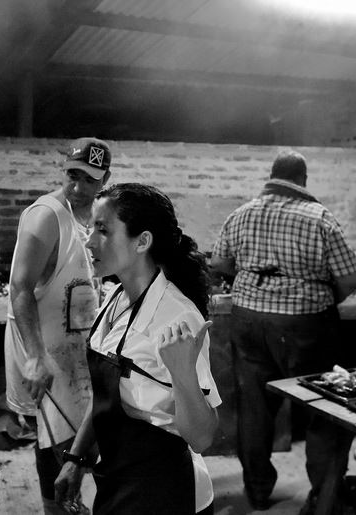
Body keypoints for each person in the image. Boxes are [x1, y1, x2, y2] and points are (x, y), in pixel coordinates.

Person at [54, 183, 220, 515]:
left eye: (103, 230)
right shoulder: (114, 297)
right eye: (91, 229)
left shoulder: (178, 316)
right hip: (116, 476)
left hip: (164, 491)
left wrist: (183, 372)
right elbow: (106, 393)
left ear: (142, 241)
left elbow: (203, 437)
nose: (89, 241)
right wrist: (75, 457)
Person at [210, 150, 356, 512]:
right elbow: (350, 277)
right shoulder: (319, 217)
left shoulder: (242, 213)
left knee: (254, 408)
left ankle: (258, 490)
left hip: (248, 321)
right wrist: (325, 297)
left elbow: (218, 262)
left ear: (272, 176)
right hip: (305, 325)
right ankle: (322, 496)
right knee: (321, 406)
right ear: (303, 180)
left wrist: (253, 282)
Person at [3, 137, 112, 515]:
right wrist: (35, 356)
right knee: (56, 437)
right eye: (73, 175)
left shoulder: (96, 215)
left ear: (105, 180)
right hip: (44, 346)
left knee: (80, 434)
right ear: (62, 170)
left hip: (78, 344)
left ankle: (71, 503)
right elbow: (18, 288)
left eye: (90, 180)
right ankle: (56, 509)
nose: (79, 188)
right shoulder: (45, 216)